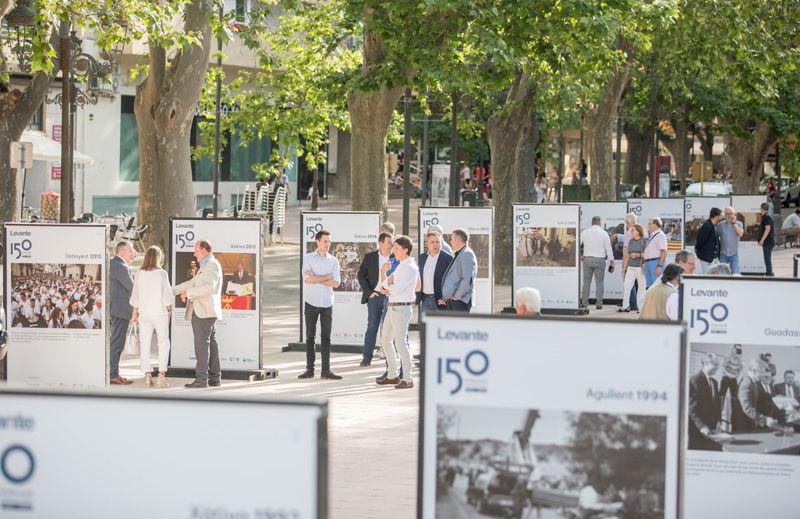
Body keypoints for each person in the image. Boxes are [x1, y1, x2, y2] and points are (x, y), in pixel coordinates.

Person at [173, 239, 224, 388]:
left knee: (201, 345)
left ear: (204, 250)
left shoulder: (212, 265)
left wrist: (188, 294)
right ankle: (215, 378)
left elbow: (208, 288)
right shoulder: (206, 265)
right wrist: (171, 290)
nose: (194, 254)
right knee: (211, 344)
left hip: (204, 312)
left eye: (196, 251)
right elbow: (191, 283)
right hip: (205, 311)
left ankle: (202, 379)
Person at [375, 235, 419, 389]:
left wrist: (389, 285)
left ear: (406, 250)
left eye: (397, 248)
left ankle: (407, 378)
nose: (393, 250)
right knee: (385, 340)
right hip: (392, 306)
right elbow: (386, 282)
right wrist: (389, 283)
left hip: (401, 308)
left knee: (400, 343)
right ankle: (392, 374)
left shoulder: (410, 268)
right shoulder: (401, 265)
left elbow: (395, 288)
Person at [298, 230, 342, 380]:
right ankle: (310, 370)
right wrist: (325, 277)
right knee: (310, 337)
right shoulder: (308, 258)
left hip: (327, 303)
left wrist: (316, 277)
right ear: (317, 241)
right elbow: (307, 279)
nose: (328, 244)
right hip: (311, 302)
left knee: (326, 338)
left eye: (329, 241)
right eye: (325, 241)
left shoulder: (334, 261)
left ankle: (326, 371)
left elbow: (336, 283)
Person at [130, 246, 173, 388]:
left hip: (144, 313)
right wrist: (169, 309)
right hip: (159, 313)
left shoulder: (139, 273)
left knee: (145, 344)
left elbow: (135, 295)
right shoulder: (162, 274)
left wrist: (135, 312)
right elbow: (167, 296)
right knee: (163, 343)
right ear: (157, 257)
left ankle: (147, 375)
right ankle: (161, 375)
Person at [357, 232, 393, 367]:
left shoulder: (396, 257)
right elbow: (361, 275)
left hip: (391, 297)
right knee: (372, 327)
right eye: (389, 242)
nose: (391, 245)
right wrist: (369, 292)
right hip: (375, 297)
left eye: (392, 242)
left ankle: (391, 358)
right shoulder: (370, 257)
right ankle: (367, 357)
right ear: (381, 243)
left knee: (389, 328)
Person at [109, 241, 136, 385]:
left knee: (117, 343)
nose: (133, 253)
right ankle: (113, 374)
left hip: (119, 309)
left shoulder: (118, 264)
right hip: (120, 310)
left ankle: (114, 373)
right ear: (121, 251)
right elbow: (132, 286)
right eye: (131, 251)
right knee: (117, 344)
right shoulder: (120, 266)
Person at [736, 358, 785, 432]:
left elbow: (763, 394)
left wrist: (776, 397)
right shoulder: (746, 383)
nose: (762, 375)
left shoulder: (754, 382)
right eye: (761, 372)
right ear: (754, 370)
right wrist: (764, 419)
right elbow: (747, 408)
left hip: (751, 420)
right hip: (742, 423)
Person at [688, 354, 722, 451]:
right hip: (698, 433)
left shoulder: (715, 383)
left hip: (713, 433)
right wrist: (702, 427)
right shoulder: (695, 380)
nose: (718, 367)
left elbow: (716, 405)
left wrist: (718, 421)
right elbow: (691, 409)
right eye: (716, 364)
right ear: (706, 364)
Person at [580, 216, 615, 309]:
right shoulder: (604, 233)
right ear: (600, 223)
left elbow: (578, 245)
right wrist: (611, 261)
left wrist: (580, 255)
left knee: (586, 282)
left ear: (592, 222)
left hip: (587, 260)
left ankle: (584, 303)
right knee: (600, 282)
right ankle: (599, 304)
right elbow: (608, 248)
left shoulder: (584, 232)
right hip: (600, 260)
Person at [439, 229, 477, 312]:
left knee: (460, 325)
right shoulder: (461, 253)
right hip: (455, 301)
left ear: (458, 240)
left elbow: (467, 279)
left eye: (452, 239)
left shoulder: (466, 254)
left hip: (460, 301)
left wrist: (457, 296)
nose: (450, 241)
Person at [417, 231, 453, 315]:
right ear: (427, 244)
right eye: (432, 242)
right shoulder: (422, 257)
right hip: (425, 299)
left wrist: (446, 298)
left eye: (437, 242)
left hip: (440, 300)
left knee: (440, 326)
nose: (435, 244)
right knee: (425, 327)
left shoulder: (448, 258)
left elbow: (451, 280)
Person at [620, 224, 647, 312]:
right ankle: (625, 306)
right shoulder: (631, 241)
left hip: (640, 267)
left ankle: (640, 307)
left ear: (639, 231)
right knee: (627, 286)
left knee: (641, 287)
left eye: (633, 230)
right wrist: (624, 269)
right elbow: (627, 255)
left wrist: (637, 255)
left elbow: (648, 254)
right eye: (631, 230)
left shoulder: (644, 241)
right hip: (631, 267)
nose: (631, 232)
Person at [621, 213, 640, 311]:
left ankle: (633, 304)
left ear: (627, 222)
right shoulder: (643, 231)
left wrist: (623, 267)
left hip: (631, 262)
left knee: (629, 283)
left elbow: (626, 252)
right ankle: (637, 303)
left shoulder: (629, 233)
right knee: (638, 283)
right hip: (640, 262)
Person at [642, 218, 667, 288]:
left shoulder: (660, 235)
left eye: (650, 224)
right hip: (649, 263)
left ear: (656, 225)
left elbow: (664, 251)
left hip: (655, 263)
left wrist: (659, 266)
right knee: (650, 288)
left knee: (657, 287)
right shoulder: (653, 235)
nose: (648, 226)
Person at [717, 206, 744, 274]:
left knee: (736, 274)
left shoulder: (739, 223)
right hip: (723, 254)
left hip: (734, 254)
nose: (728, 215)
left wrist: (734, 223)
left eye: (730, 213)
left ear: (734, 214)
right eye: (727, 213)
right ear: (725, 215)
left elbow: (740, 234)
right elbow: (717, 236)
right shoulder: (721, 224)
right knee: (722, 274)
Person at [694, 207, 721, 273]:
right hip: (707, 258)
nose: (720, 217)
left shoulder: (713, 225)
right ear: (717, 216)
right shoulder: (707, 226)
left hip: (712, 258)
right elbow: (700, 241)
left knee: (712, 277)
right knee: (707, 276)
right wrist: (698, 250)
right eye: (720, 215)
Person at [757, 202, 775, 276]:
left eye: (760, 209)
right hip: (768, 241)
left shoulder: (766, 217)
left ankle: (769, 273)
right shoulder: (766, 217)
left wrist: (762, 240)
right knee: (767, 257)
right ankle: (769, 272)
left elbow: (767, 229)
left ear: (762, 209)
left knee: (767, 258)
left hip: (768, 241)